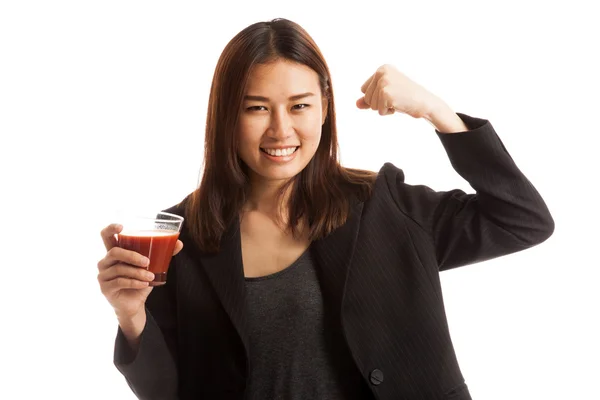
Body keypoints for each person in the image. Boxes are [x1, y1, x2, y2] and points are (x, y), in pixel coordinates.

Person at [97, 18, 554, 400]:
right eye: (256, 108)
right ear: (226, 117)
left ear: (324, 109)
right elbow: (169, 392)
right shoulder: (185, 238)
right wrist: (131, 316)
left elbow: (522, 219)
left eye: (299, 106)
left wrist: (437, 112)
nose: (281, 130)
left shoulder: (384, 206)